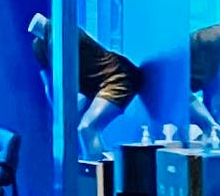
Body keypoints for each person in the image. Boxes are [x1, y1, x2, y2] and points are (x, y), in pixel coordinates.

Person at [28, 10, 143, 148]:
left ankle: (100, 168)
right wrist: (59, 118)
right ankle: (88, 162)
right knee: (67, 126)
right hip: (91, 86)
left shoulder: (60, 33)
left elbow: (65, 80)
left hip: (116, 76)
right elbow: (50, 85)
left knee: (87, 128)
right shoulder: (39, 46)